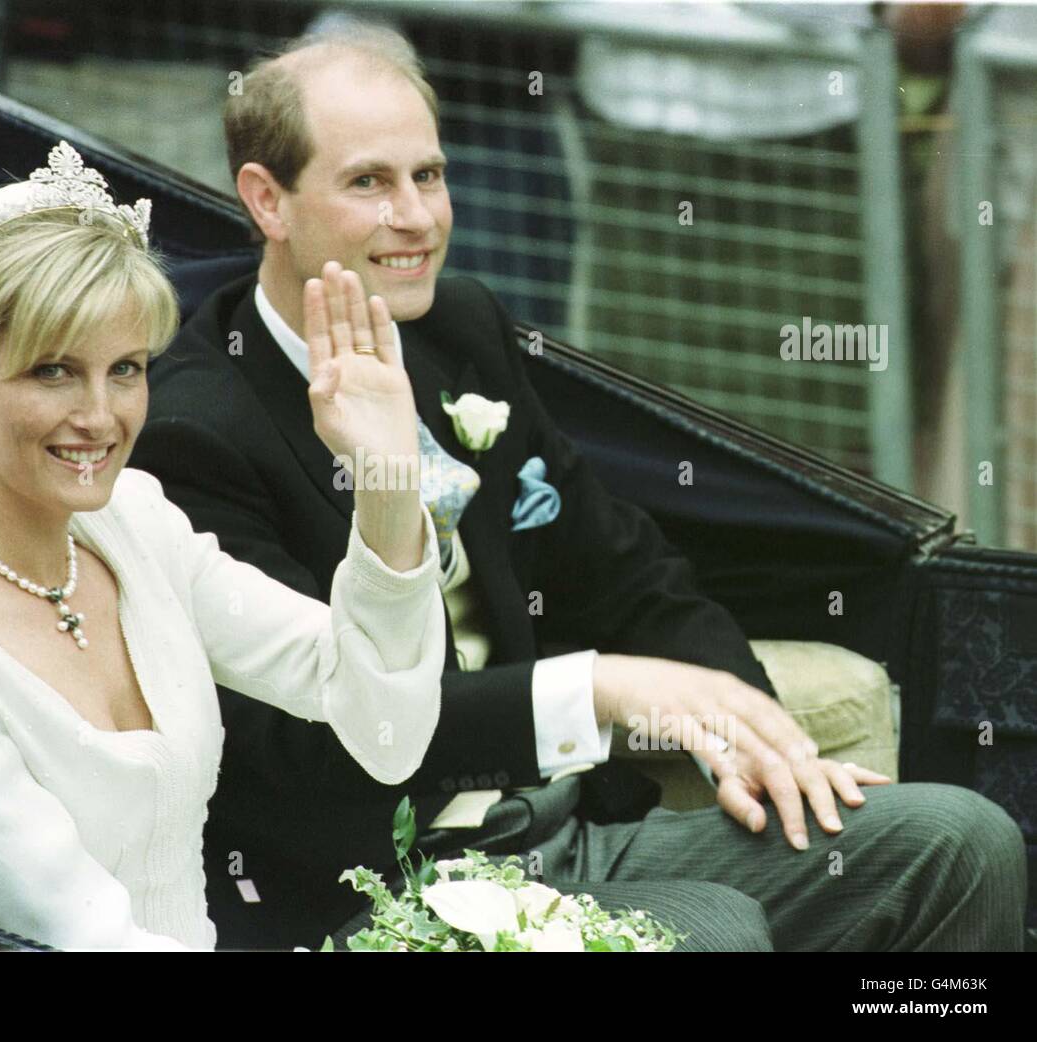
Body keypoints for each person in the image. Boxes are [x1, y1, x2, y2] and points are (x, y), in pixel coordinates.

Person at [129, 24, 1028, 950]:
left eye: (429, 176)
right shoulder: (198, 429)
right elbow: (322, 741)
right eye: (370, 183)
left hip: (573, 834)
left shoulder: (459, 325)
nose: (419, 218)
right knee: (715, 934)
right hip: (379, 886)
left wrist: (746, 724)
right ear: (266, 199)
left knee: (964, 844)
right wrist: (594, 690)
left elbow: (621, 566)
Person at [0, 140, 447, 950]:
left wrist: (387, 481)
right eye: (54, 372)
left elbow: (380, 721)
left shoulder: (132, 523)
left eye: (127, 369)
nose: (102, 417)